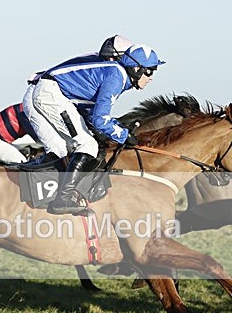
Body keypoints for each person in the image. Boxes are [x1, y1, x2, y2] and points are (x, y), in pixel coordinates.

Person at [25, 43, 165, 214]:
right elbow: (100, 119)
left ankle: (42, 186)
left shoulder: (116, 74)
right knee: (87, 145)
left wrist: (116, 130)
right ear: (136, 68)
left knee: (64, 148)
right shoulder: (116, 76)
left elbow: (95, 116)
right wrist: (123, 135)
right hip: (51, 94)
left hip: (47, 91)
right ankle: (62, 200)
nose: (151, 77)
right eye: (150, 71)